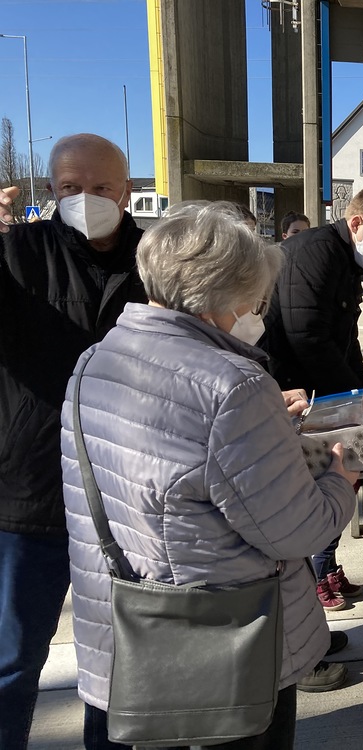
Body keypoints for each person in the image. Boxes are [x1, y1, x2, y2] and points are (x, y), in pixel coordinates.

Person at [60, 201, 360, 749]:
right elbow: (298, 530)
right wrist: (340, 479)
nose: (257, 313)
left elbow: (160, 470)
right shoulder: (233, 385)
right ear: (221, 295)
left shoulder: (92, 363)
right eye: (255, 299)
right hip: (223, 652)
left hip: (121, 640)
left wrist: (264, 430)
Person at [0, 134, 147, 750]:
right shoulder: (16, 252)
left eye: (101, 187)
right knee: (11, 660)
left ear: (127, 191)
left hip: (125, 497)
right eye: (70, 188)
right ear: (50, 190)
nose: (86, 198)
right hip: (31, 494)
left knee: (121, 666)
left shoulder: (157, 259)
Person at [261, 186, 363, 612]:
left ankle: (326, 566)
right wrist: (358, 399)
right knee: (322, 485)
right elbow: (308, 338)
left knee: (346, 477)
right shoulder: (316, 253)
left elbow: (347, 343)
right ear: (356, 222)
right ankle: (314, 578)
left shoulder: (344, 260)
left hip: (324, 393)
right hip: (298, 396)